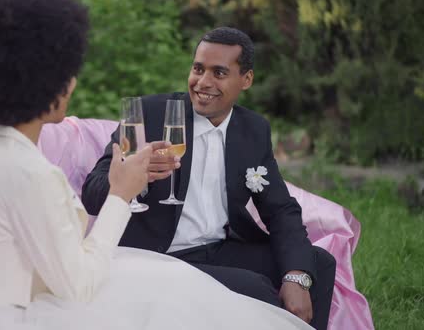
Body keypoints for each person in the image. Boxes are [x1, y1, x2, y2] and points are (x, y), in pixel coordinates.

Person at [0, 0, 313, 329]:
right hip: (28, 310)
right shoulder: (33, 173)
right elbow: (78, 282)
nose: (73, 82)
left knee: (311, 267)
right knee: (204, 298)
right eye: (66, 71)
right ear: (42, 81)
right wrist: (123, 192)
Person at [82, 27, 337, 330]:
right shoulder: (151, 114)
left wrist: (296, 275)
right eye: (198, 69)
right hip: (160, 256)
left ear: (246, 80)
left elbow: (280, 209)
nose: (203, 82)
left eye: (219, 73)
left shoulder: (253, 130)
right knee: (257, 289)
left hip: (218, 249)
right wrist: (137, 177)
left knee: (317, 263)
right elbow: (92, 193)